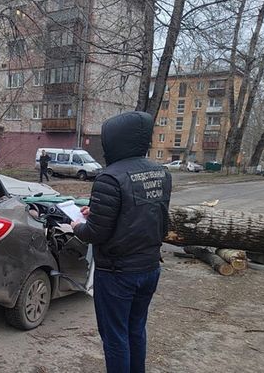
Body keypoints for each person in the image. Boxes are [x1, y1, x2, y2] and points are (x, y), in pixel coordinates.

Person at [70, 111, 172, 373]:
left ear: (113, 140)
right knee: (136, 330)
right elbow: (149, 214)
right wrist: (101, 211)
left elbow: (96, 234)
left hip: (117, 274)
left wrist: (75, 226)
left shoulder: (110, 177)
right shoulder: (160, 173)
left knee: (115, 338)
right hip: (149, 268)